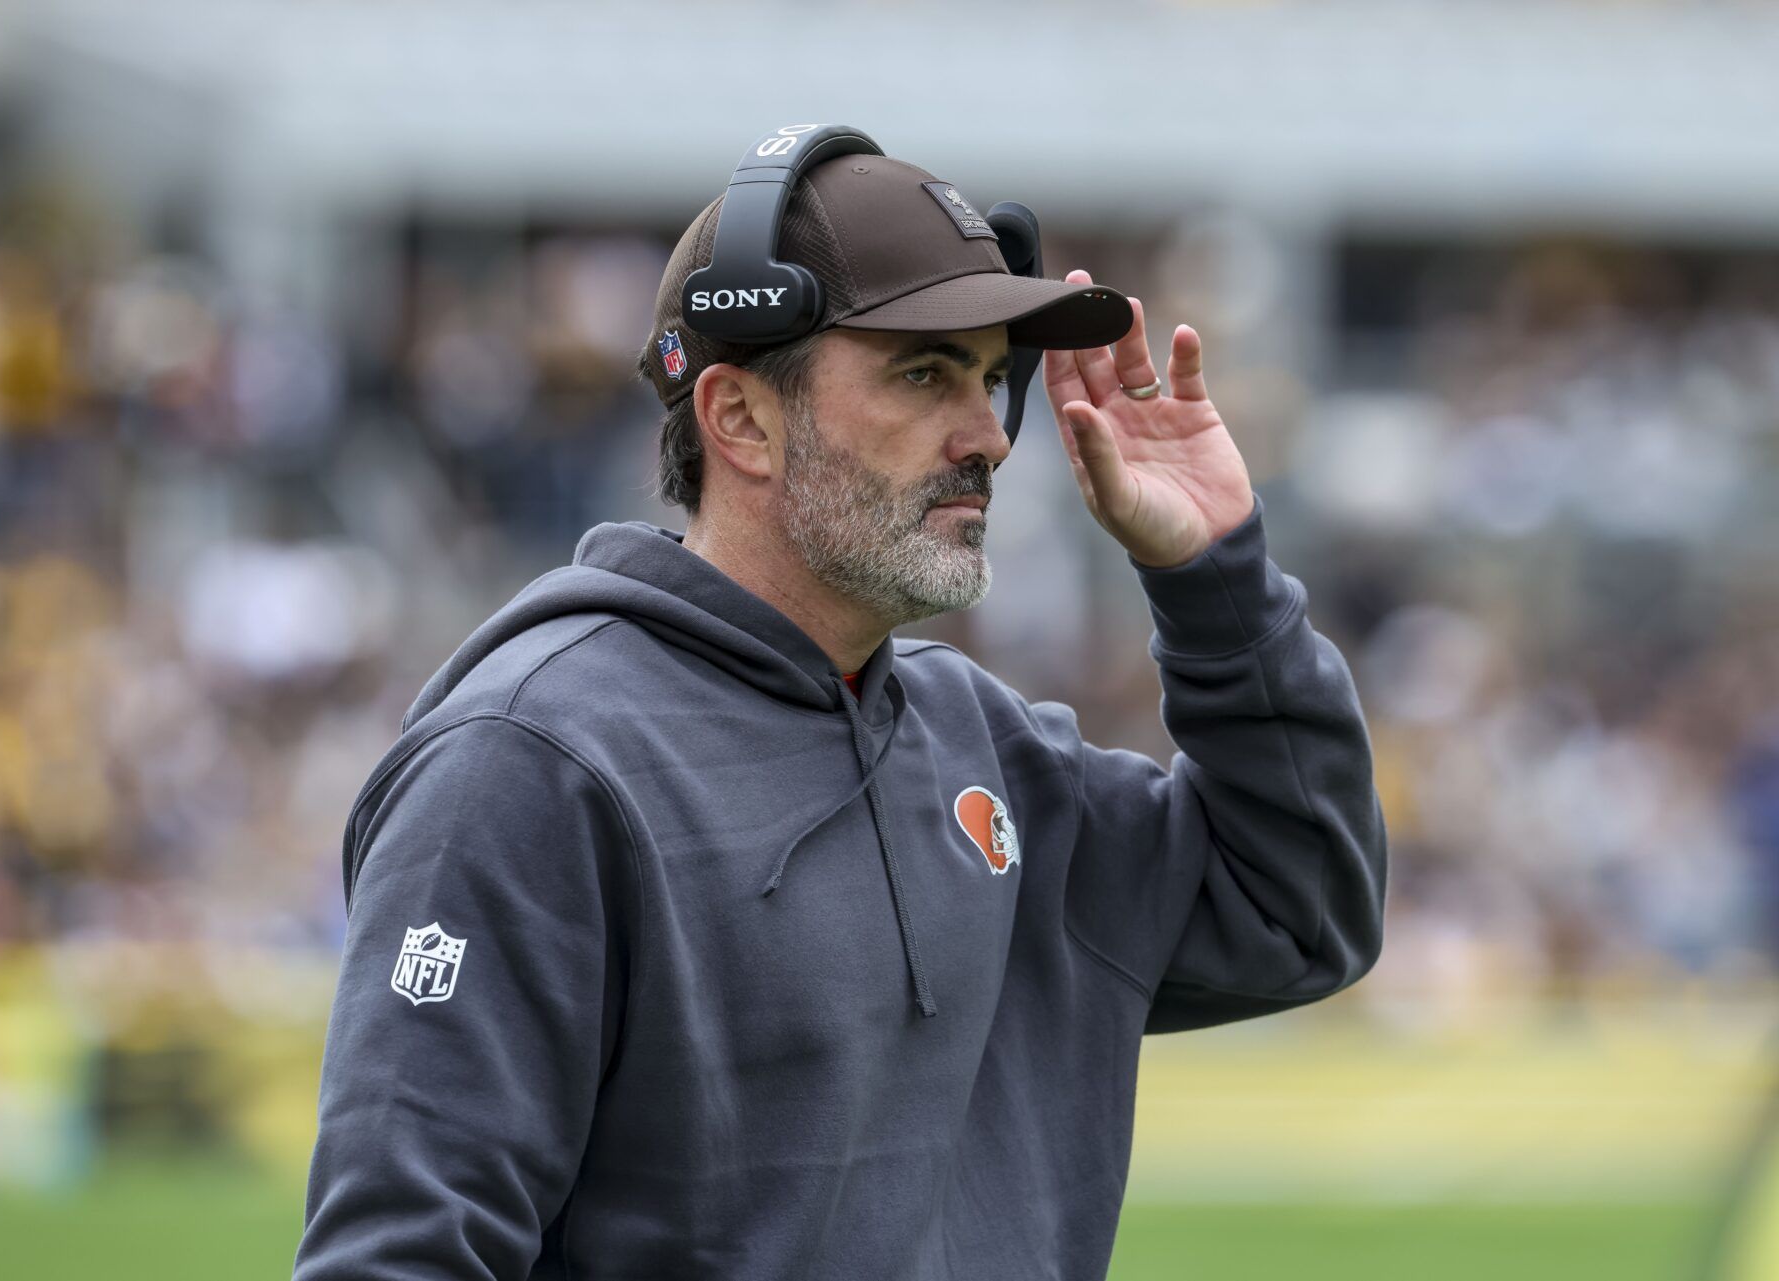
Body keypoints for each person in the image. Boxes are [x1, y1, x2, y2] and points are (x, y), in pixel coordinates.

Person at [293, 150, 1388, 1280]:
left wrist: (1217, 578)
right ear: (742, 420)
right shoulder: (530, 761)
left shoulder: (987, 746)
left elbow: (1297, 911)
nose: (991, 435)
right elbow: (402, 1258)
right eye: (923, 375)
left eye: (989, 376)